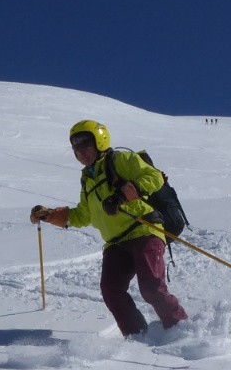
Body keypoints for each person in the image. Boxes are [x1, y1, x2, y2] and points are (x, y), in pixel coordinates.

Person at [31, 120, 188, 336]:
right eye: (75, 146)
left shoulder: (120, 160)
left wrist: (123, 196)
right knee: (111, 290)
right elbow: (83, 215)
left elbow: (154, 177)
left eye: (85, 143)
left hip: (143, 230)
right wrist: (50, 215)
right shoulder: (87, 180)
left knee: (151, 288)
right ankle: (137, 337)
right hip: (115, 243)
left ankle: (181, 329)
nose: (80, 151)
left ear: (100, 141)